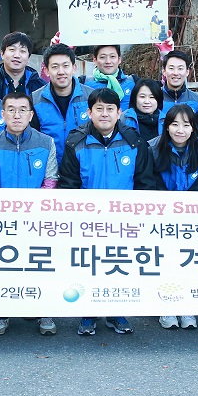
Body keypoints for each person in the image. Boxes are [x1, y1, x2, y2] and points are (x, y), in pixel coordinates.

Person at [59, 88, 160, 335]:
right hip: (87, 221)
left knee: (118, 266)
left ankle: (116, 312)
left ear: (119, 112)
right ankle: (88, 314)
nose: (104, 114)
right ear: (89, 112)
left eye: (110, 109)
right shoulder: (75, 142)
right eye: (99, 109)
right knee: (89, 266)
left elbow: (145, 182)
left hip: (123, 221)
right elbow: (69, 184)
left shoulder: (134, 142)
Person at [0, 92, 59, 337]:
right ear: (2, 114)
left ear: (31, 114)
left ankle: (44, 311)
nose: (17, 115)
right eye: (11, 110)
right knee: (3, 266)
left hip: (38, 218)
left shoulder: (46, 142)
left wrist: (34, 209)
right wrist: (4, 211)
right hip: (3, 219)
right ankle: (2, 313)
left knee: (40, 265)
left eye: (23, 110)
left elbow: (51, 179)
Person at [148, 104, 198, 330]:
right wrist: (168, 208)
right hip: (160, 216)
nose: (180, 130)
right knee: (164, 261)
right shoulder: (152, 148)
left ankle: (186, 305)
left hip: (191, 216)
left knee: (188, 261)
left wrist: (185, 208)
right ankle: (165, 305)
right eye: (175, 124)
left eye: (186, 125)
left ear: (194, 127)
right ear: (166, 127)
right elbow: (150, 182)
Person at [31, 43, 90, 162]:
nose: (61, 72)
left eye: (66, 66)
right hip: (49, 169)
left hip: (83, 168)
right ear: (46, 71)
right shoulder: (34, 100)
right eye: (55, 67)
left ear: (74, 68)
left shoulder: (90, 97)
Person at [82, 45, 136, 110]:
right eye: (102, 57)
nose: (108, 61)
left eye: (112, 56)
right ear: (95, 60)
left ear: (119, 59)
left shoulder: (133, 82)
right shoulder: (83, 83)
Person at [0, 31, 45, 99]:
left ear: (28, 57)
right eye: (12, 49)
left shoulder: (40, 86)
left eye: (22, 51)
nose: (17, 55)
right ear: (2, 54)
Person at [121, 78, 164, 143]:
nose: (147, 101)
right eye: (142, 97)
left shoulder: (165, 120)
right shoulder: (125, 118)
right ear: (135, 98)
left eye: (152, 97)